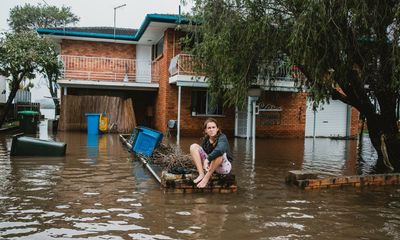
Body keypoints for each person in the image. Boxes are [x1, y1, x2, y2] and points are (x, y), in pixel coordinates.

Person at [190, 118, 233, 188]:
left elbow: (220, 150)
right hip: (211, 166)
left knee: (219, 154)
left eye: (213, 127)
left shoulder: (222, 137)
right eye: (209, 128)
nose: (211, 129)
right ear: (206, 130)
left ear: (217, 129)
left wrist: (207, 160)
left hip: (223, 167)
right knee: (193, 146)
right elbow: (202, 154)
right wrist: (204, 162)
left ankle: (206, 178)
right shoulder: (206, 140)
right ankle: (201, 174)